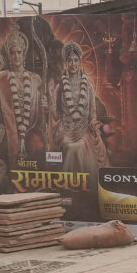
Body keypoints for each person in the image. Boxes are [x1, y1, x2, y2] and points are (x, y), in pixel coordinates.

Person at [54, 42, 109, 175]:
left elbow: (92, 113)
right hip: (66, 132)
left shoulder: (88, 86)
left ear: (80, 62)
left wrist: (93, 123)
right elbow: (56, 114)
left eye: (76, 60)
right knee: (69, 146)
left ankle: (82, 188)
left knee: (77, 147)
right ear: (66, 63)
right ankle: (69, 185)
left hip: (84, 131)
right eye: (70, 61)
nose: (73, 64)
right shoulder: (60, 87)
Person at [0, 25, 47, 163]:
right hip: (9, 129)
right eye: (12, 53)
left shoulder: (34, 78)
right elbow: (0, 106)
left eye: (19, 52)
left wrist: (44, 105)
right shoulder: (4, 77)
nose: (16, 56)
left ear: (24, 55)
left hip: (31, 129)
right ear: (9, 56)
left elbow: (39, 111)